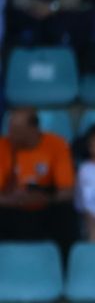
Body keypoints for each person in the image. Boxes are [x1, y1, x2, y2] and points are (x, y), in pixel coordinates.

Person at [0, 105, 75, 254]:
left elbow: (67, 190)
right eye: (10, 128)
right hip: (11, 207)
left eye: (16, 130)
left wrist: (44, 198)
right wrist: (15, 200)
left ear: (33, 129)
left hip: (44, 206)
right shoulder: (2, 146)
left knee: (65, 213)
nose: (10, 134)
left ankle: (66, 263)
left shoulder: (57, 145)